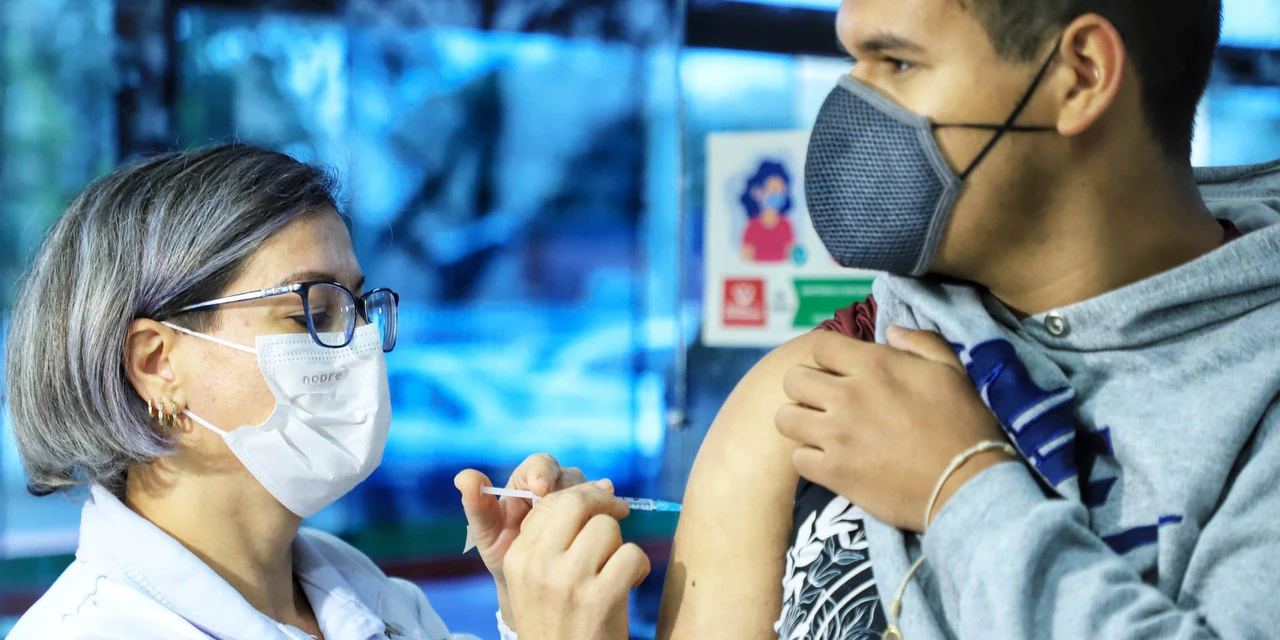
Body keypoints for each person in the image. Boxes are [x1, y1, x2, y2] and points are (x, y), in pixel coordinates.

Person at [659, 0, 1280, 639]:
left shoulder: (1260, 394)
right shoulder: (823, 380)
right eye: (854, 60)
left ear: (1080, 75)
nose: (848, 106)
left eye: (897, 61)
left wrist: (961, 488)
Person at [4, 143, 647, 640]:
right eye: (312, 312)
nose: (359, 344)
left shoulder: (367, 596)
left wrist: (530, 605)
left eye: (358, 308)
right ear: (156, 363)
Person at [740, 160, 797, 263]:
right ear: (757, 193)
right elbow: (745, 259)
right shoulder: (752, 228)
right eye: (774, 189)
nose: (777, 195)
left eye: (781, 191)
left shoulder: (786, 226)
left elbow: (792, 257)